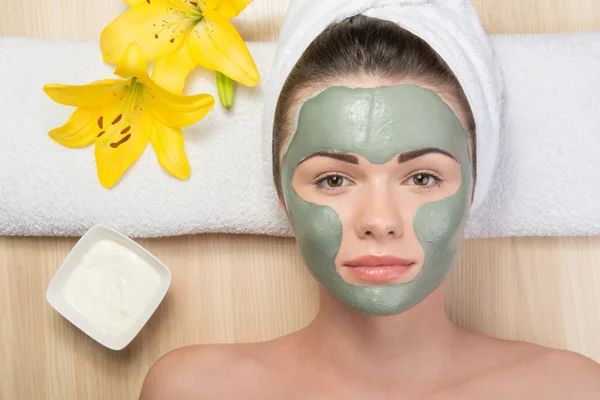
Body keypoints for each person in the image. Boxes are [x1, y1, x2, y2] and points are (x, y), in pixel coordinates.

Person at [139, 14, 600, 399]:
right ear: (281, 195)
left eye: (422, 178)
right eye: (334, 179)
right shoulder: (195, 388)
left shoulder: (573, 389)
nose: (379, 221)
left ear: (475, 189)